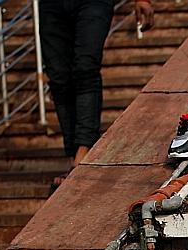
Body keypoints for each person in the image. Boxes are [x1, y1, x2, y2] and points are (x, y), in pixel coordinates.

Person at [40, 0, 153, 186]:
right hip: (51, 6)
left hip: (93, 3)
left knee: (85, 68)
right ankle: (73, 155)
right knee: (58, 78)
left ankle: (83, 153)